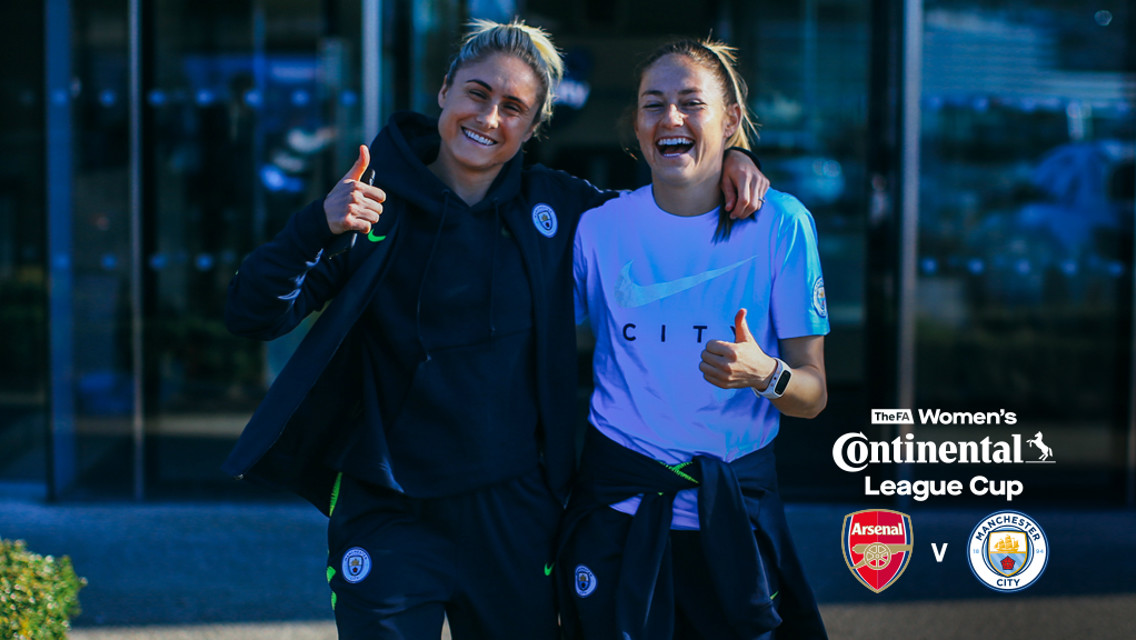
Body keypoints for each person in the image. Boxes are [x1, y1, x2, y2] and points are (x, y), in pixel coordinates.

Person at [221, 19, 769, 640]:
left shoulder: (559, 208)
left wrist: (733, 158)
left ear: (533, 127)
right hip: (388, 507)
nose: (489, 117)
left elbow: (663, 205)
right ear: (445, 92)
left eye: (514, 107)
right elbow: (253, 313)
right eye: (477, 94)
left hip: (513, 512)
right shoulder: (372, 203)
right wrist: (317, 226)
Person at [562, 39, 830, 639]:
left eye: (691, 103)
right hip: (618, 514)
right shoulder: (599, 229)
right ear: (637, 124)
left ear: (731, 119)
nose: (670, 119)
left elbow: (812, 395)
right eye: (652, 105)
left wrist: (766, 373)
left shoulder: (781, 223)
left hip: (733, 520)